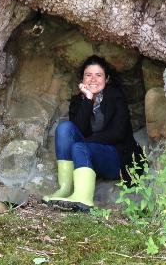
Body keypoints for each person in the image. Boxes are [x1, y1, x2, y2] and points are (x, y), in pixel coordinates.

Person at [43, 55, 143, 211]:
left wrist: (85, 144)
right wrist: (88, 99)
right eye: (88, 75)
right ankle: (66, 188)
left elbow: (118, 133)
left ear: (107, 79)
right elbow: (77, 131)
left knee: (79, 147)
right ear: (82, 79)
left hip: (116, 158)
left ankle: (83, 199)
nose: (93, 79)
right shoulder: (78, 101)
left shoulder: (116, 96)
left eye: (98, 75)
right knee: (64, 128)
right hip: (87, 153)